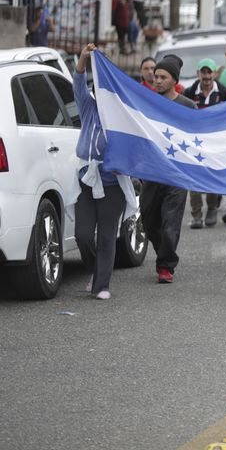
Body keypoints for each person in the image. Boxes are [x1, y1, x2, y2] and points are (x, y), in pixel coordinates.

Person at [72, 44, 136, 300]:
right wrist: (84, 59)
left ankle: (102, 285)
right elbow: (77, 85)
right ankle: (94, 271)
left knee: (107, 236)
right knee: (83, 235)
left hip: (113, 184)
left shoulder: (125, 116)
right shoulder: (89, 108)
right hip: (86, 180)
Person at [141, 56, 196, 283]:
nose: (158, 81)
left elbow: (196, 138)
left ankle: (165, 266)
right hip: (152, 173)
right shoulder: (146, 102)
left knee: (170, 223)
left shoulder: (188, 106)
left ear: (174, 80)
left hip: (176, 175)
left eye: (163, 77)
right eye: (156, 77)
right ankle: (163, 251)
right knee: (148, 220)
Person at [184, 58, 226, 229]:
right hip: (194, 143)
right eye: (203, 72)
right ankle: (196, 215)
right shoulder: (189, 92)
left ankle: (212, 208)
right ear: (198, 74)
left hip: (215, 144)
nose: (206, 76)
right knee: (194, 179)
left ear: (215, 73)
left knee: (212, 177)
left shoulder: (224, 92)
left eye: (209, 72)